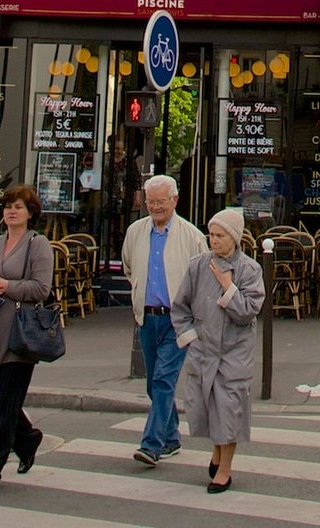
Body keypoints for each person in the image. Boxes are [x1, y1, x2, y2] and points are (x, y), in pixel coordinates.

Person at [173, 206, 266, 494]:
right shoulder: (197, 266)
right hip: (203, 351)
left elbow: (248, 312)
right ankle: (217, 451)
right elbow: (180, 307)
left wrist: (229, 288)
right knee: (206, 408)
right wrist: (190, 339)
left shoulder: (250, 270)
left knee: (229, 411)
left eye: (220, 236)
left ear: (234, 238)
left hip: (234, 353)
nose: (214, 240)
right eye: (211, 235)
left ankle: (224, 469)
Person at [0, 184, 53, 494]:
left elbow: (41, 289)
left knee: (3, 405)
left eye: (18, 207)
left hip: (19, 336)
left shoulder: (38, 245)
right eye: (8, 206)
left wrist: (7, 286)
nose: (12, 211)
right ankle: (27, 439)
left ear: (30, 213)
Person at [122, 174, 207, 469]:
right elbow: (129, 266)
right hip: (147, 317)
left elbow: (203, 278)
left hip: (177, 320)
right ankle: (171, 438)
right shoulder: (136, 232)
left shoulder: (192, 236)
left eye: (161, 201)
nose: (156, 207)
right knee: (154, 384)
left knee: (162, 380)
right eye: (151, 202)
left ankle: (151, 445)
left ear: (174, 200)